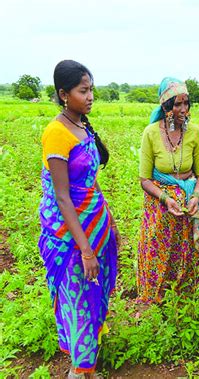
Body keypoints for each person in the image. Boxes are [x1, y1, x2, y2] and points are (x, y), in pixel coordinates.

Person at [38, 60, 119, 378]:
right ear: (63, 94)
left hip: (94, 228)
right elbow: (62, 196)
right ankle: (79, 371)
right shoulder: (56, 134)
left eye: (91, 90)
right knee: (79, 301)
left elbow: (90, 181)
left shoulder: (82, 126)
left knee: (94, 294)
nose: (90, 96)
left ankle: (88, 365)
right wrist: (85, 250)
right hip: (70, 238)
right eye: (83, 91)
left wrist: (108, 221)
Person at [137, 77, 199, 303]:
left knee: (184, 256)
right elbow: (145, 179)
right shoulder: (151, 133)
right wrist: (166, 198)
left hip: (185, 209)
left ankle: (183, 302)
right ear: (165, 106)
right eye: (177, 104)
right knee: (158, 255)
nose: (183, 110)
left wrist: (196, 196)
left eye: (186, 104)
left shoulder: (194, 132)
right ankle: (154, 302)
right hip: (160, 211)